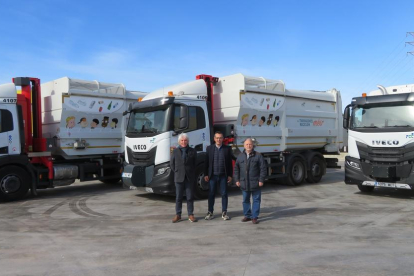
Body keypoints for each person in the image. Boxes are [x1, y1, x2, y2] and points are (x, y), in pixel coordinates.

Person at [233, 138, 267, 224]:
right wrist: (237, 180)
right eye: (247, 144)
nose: (248, 146)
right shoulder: (240, 156)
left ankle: (254, 217)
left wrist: (261, 180)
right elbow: (236, 169)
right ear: (244, 146)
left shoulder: (258, 156)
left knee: (256, 200)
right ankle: (247, 215)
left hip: (255, 182)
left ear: (253, 145)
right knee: (245, 200)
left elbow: (263, 169)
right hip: (244, 183)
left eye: (250, 144)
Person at [203, 131, 233, 220]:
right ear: (214, 139)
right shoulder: (209, 148)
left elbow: (229, 163)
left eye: (220, 138)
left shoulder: (227, 149)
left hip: (223, 175)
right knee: (211, 194)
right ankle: (210, 212)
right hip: (212, 176)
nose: (218, 139)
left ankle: (224, 212)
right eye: (217, 138)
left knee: (224, 194)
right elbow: (206, 163)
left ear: (223, 139)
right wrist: (206, 174)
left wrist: (230, 175)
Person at [170, 133, 198, 223]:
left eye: (185, 140)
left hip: (189, 177)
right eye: (182, 140)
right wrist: (178, 172)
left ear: (188, 141)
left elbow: (195, 163)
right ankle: (178, 215)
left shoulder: (192, 151)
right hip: (179, 177)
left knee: (190, 197)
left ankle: (190, 214)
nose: (183, 142)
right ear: (179, 141)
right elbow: (172, 164)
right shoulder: (175, 151)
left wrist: (191, 172)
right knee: (178, 197)